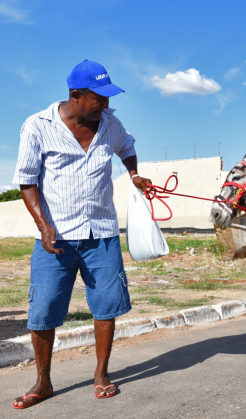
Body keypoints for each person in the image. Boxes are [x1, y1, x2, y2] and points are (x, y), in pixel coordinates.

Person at [11, 59, 151, 409]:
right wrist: (44, 226)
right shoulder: (37, 126)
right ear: (76, 95)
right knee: (42, 309)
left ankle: (101, 373)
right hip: (55, 237)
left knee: (105, 307)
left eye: (107, 98)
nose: (105, 104)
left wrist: (133, 175)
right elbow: (27, 181)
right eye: (98, 98)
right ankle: (43, 382)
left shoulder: (110, 124)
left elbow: (128, 146)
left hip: (101, 233)